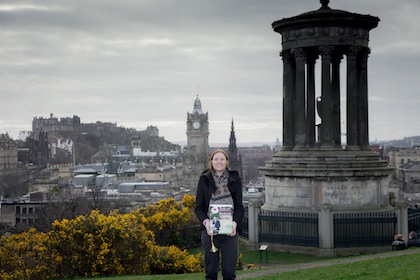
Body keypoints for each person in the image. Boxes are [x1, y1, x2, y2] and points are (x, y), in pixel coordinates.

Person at [195, 148, 244, 280]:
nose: (219, 162)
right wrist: (206, 223)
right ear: (211, 162)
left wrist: (234, 223)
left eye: (222, 159)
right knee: (211, 273)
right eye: (216, 159)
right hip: (210, 233)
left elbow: (239, 207)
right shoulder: (204, 179)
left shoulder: (235, 178)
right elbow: (198, 208)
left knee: (229, 273)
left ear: (227, 162)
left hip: (230, 232)